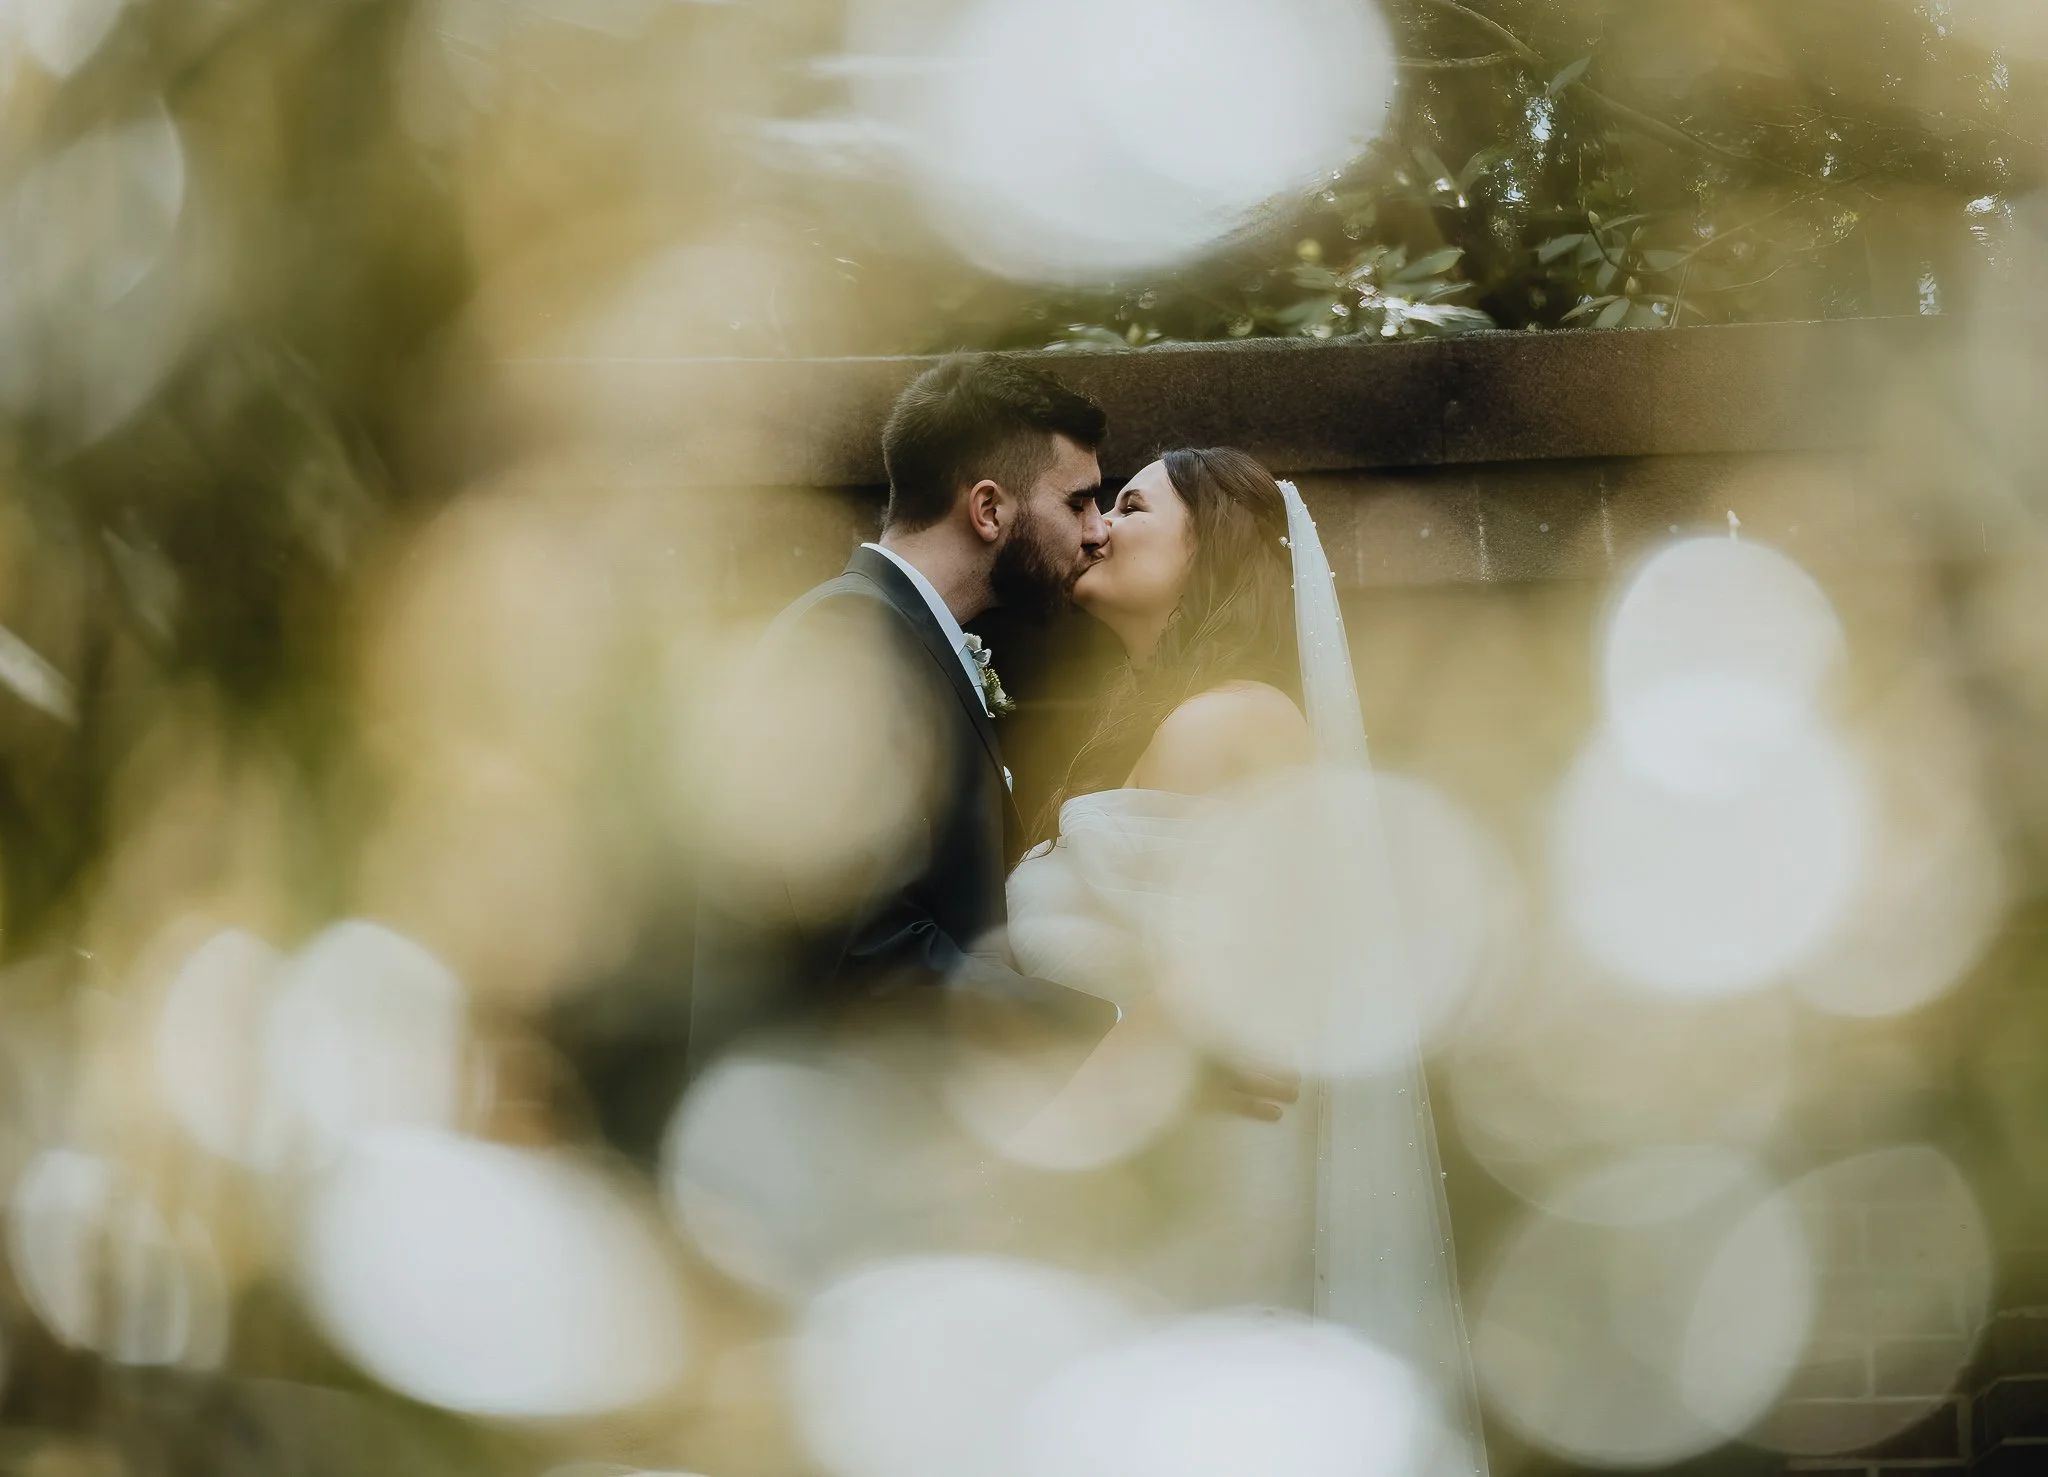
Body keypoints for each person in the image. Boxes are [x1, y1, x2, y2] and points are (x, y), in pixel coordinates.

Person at [1007, 446, 1491, 1475]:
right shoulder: (1162, 723)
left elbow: (1198, 983)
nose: (1095, 527)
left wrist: (1036, 1148)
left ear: (1207, 549)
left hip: (1211, 1152)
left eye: (1129, 507)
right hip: (1173, 1149)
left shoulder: (1230, 720)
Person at [688, 357, 1295, 1121]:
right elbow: (867, 952)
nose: (1095, 527)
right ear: (987, 510)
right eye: (1078, 501)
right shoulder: (849, 641)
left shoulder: (910, 647)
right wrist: (1124, 1036)